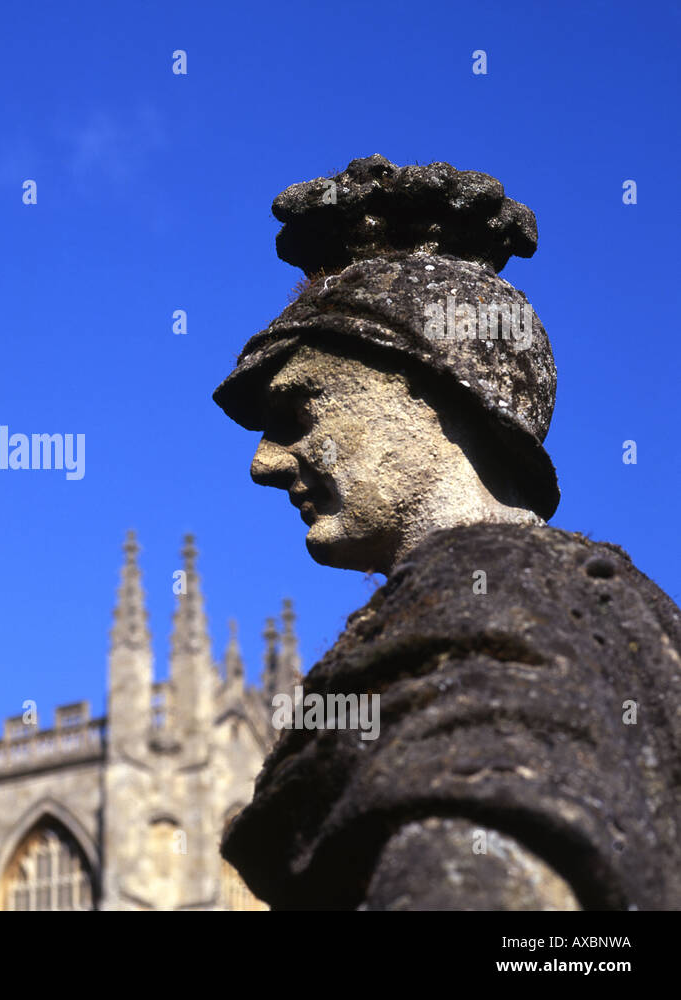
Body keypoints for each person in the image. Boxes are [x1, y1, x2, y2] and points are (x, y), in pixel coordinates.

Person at [215, 155, 681, 910]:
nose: (264, 463)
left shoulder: (488, 602)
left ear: (433, 398)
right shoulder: (618, 612)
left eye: (300, 411)